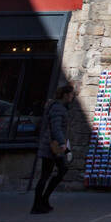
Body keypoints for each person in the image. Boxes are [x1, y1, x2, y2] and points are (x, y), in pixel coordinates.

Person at [32, 84, 74, 214]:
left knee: (59, 170)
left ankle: (43, 201)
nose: (73, 97)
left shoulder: (59, 107)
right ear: (66, 95)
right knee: (48, 174)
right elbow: (56, 128)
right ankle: (38, 204)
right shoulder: (57, 108)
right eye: (72, 94)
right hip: (52, 146)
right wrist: (63, 144)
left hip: (54, 146)